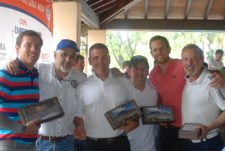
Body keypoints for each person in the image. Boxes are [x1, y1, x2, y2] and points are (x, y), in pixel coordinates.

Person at [6, 39, 86, 151]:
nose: (68, 59)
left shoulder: (80, 78)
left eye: (72, 56)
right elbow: (22, 65)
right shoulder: (39, 70)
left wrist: (80, 126)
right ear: (54, 55)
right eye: (64, 55)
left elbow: (78, 110)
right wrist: (13, 63)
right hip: (41, 143)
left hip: (67, 142)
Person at [149, 35, 225, 151]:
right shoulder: (154, 74)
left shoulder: (182, 66)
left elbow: (200, 70)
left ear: (169, 49)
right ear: (151, 53)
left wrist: (219, 74)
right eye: (155, 49)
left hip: (203, 136)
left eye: (162, 48)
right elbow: (160, 95)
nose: (159, 52)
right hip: (175, 128)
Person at [75, 43, 138, 151]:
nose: (100, 61)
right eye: (96, 58)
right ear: (89, 61)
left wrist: (135, 121)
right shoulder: (82, 86)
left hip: (120, 143)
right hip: (93, 145)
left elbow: (135, 107)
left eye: (104, 57)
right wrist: (80, 127)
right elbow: (78, 115)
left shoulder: (124, 81)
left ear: (109, 59)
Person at [0, 30, 42, 151]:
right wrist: (22, 129)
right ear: (17, 49)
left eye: (37, 46)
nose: (34, 49)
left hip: (32, 144)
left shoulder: (35, 74)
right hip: (11, 144)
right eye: (28, 45)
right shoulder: (7, 74)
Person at [181, 44, 225, 151]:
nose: (189, 63)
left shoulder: (212, 81)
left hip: (207, 142)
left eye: (194, 59)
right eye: (185, 59)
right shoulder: (187, 79)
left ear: (202, 60)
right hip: (188, 139)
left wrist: (208, 128)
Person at [127, 55, 158, 151]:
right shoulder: (121, 88)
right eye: (136, 68)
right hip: (127, 146)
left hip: (150, 147)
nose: (140, 72)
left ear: (148, 71)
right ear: (129, 71)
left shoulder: (154, 88)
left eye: (143, 68)